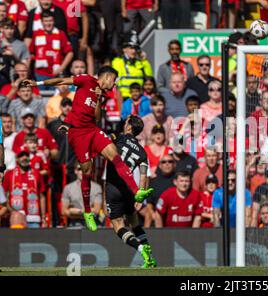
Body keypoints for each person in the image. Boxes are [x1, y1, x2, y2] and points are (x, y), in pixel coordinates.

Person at [22, 66, 153, 232]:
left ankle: (136, 191)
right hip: (78, 134)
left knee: (115, 155)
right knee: (87, 171)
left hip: (92, 130)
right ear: (107, 76)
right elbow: (62, 80)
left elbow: (97, 118)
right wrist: (37, 83)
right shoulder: (86, 80)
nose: (114, 86)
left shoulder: (103, 94)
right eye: (114, 81)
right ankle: (87, 211)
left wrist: (98, 100)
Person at [105, 115, 156, 268]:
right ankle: (150, 258)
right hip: (129, 190)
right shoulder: (142, 152)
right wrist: (140, 198)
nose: (124, 124)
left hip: (114, 186)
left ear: (129, 127)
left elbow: (105, 142)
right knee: (134, 223)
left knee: (118, 225)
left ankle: (141, 249)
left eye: (126, 122)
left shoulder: (119, 138)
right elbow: (143, 175)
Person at [3, 147, 47, 228]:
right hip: (16, 218)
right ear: (17, 158)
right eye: (21, 156)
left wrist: (44, 218)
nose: (24, 158)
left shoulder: (37, 174)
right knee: (16, 239)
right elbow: (4, 196)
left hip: (34, 219)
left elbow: (42, 197)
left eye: (26, 155)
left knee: (35, 240)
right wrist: (12, 212)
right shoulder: (9, 174)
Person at [29, 10, 74, 87]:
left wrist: (61, 68)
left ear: (54, 21)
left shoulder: (60, 34)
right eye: (46, 21)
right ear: (42, 22)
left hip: (56, 74)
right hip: (40, 74)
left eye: (50, 20)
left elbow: (70, 52)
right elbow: (31, 53)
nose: (48, 23)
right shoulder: (36, 34)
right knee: (42, 97)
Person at [112, 34, 153, 100]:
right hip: (123, 99)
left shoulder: (142, 63)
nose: (134, 51)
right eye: (131, 48)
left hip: (140, 98)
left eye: (135, 48)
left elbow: (150, 79)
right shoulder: (117, 62)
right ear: (124, 49)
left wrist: (144, 60)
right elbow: (115, 83)